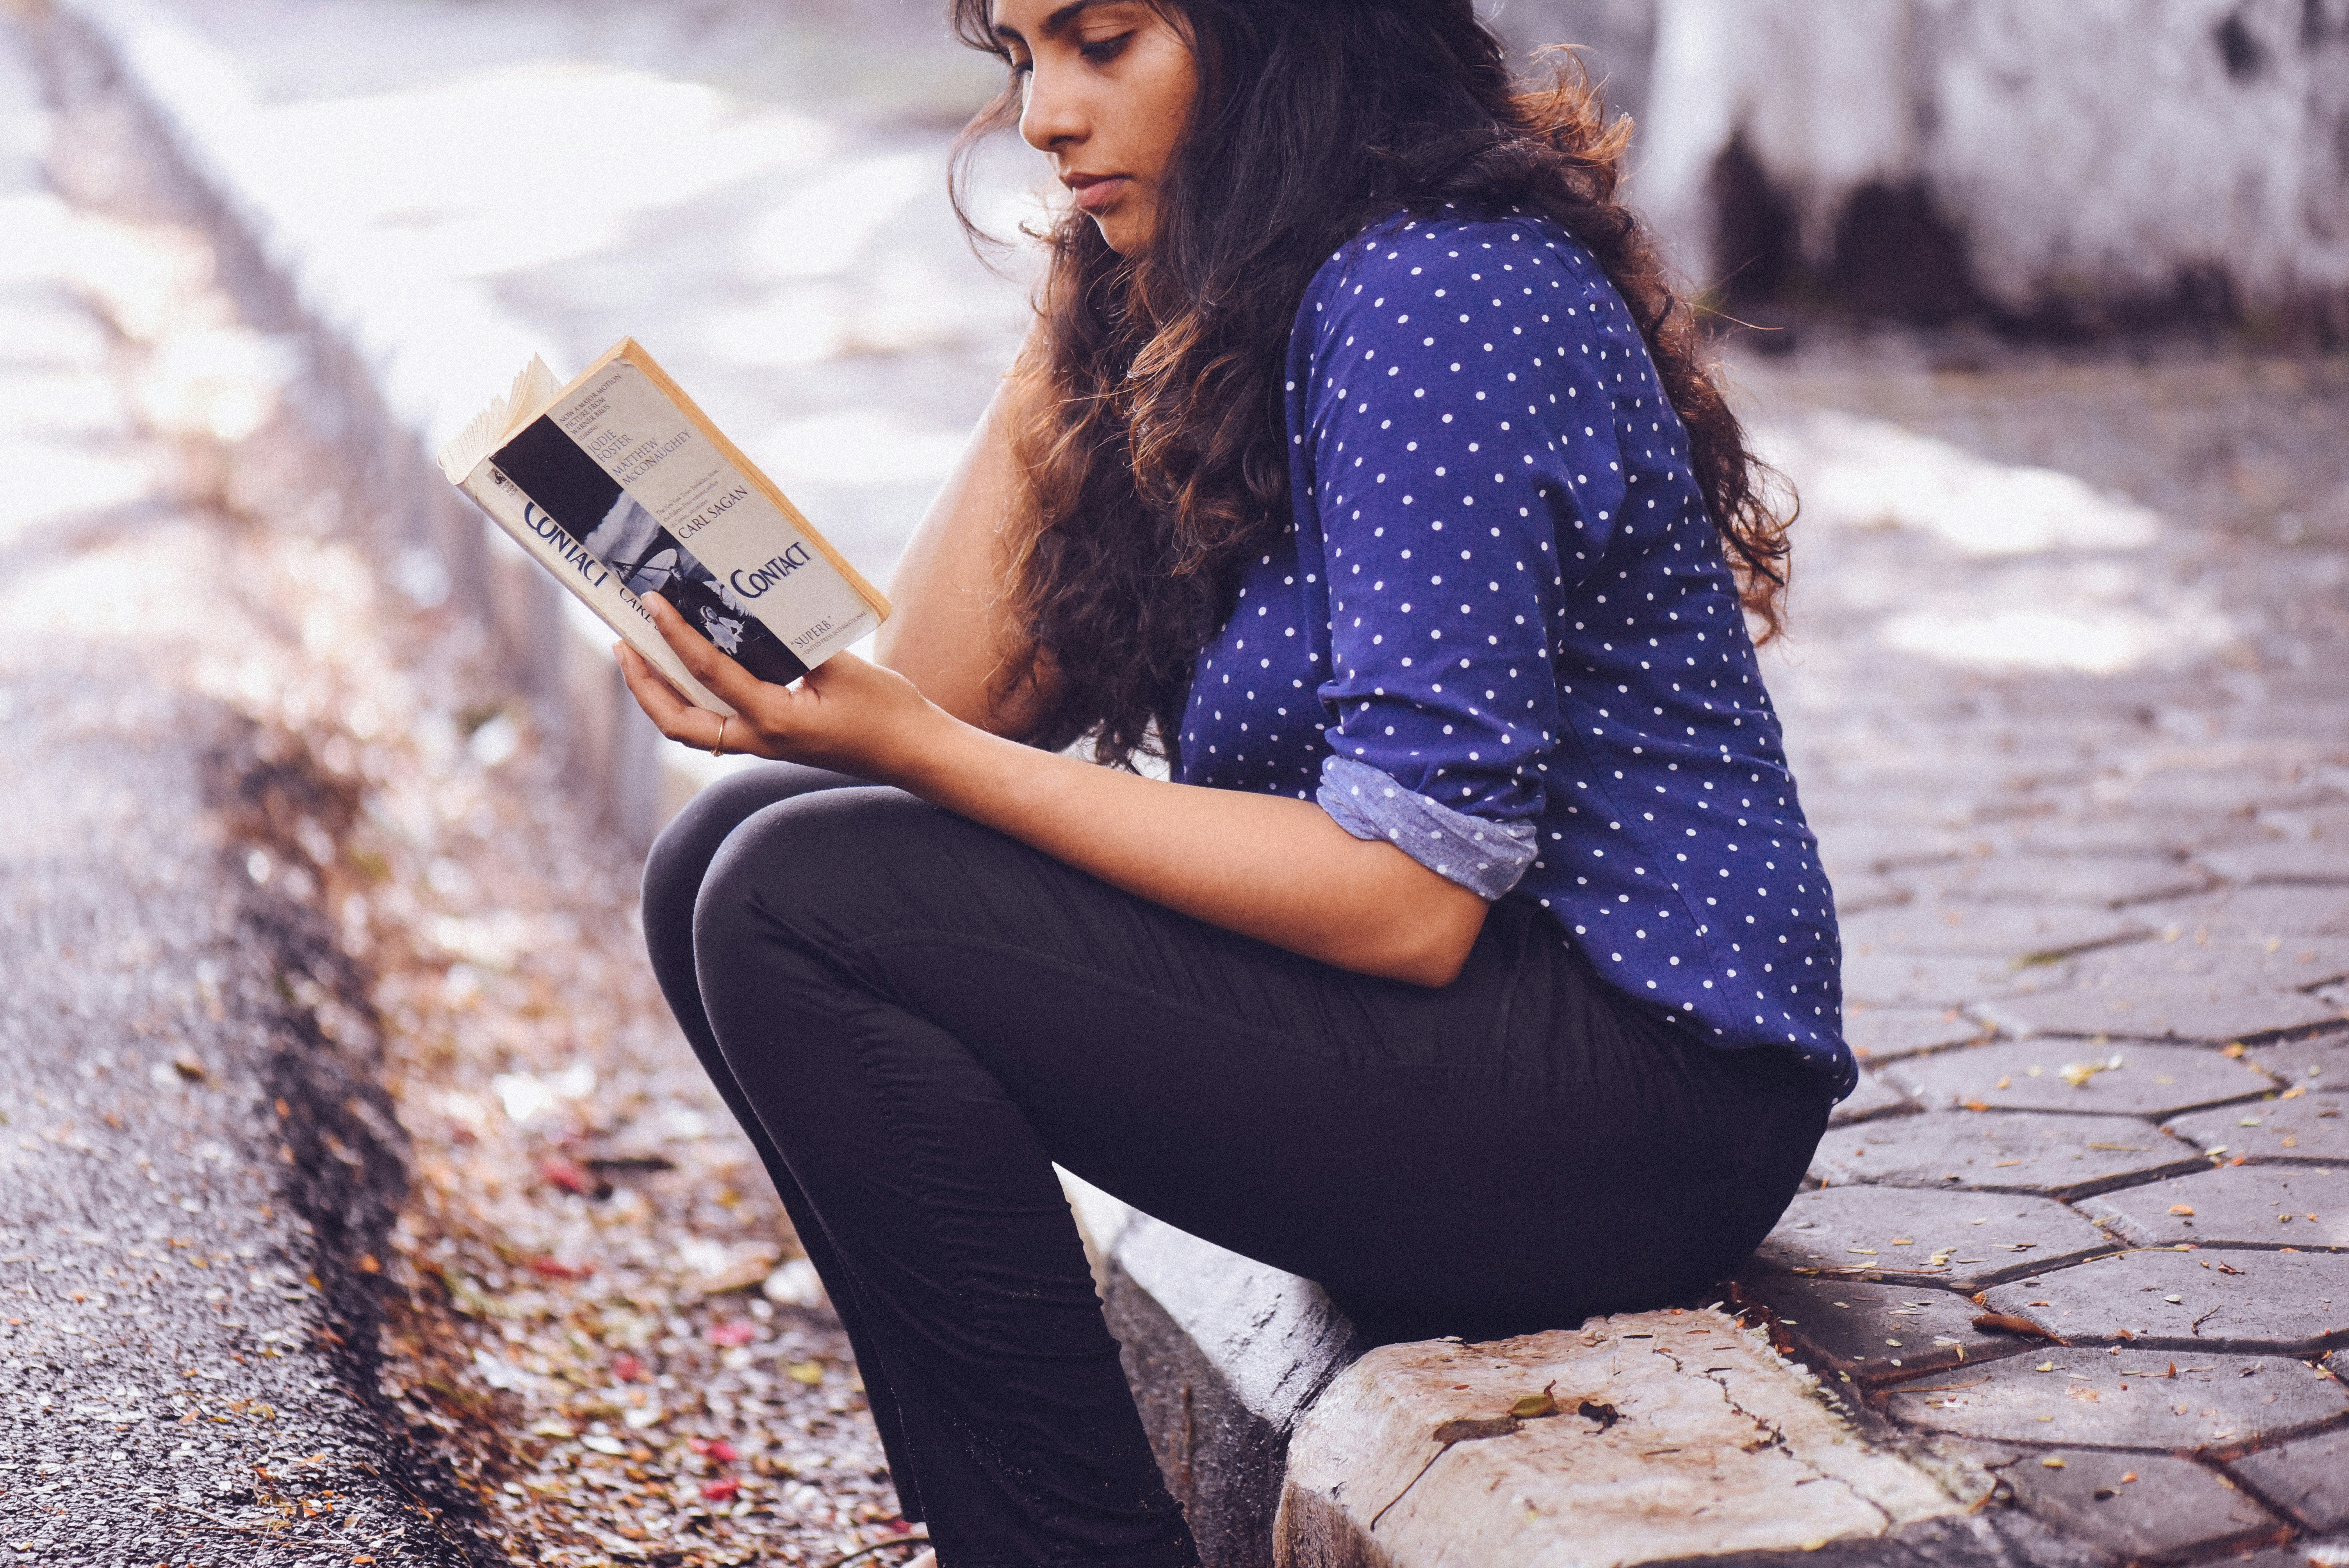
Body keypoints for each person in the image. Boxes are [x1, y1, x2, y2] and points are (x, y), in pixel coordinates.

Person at [620, 2, 1851, 1563]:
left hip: (1636, 1095)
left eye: (1102, 43)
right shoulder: (1227, 292)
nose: (1043, 119)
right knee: (734, 845)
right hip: (1467, 1043)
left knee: (801, 900)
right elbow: (941, 696)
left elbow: (1404, 898)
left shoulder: (1438, 292)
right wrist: (1080, 312)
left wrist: (908, 744)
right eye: (1019, 61)